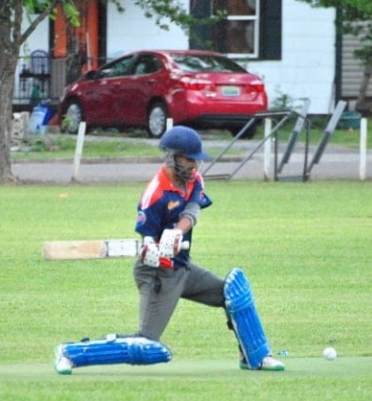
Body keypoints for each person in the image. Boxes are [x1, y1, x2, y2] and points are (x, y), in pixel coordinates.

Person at [53, 126, 284, 374]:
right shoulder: (155, 195)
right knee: (146, 345)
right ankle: (71, 353)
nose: (195, 164)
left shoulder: (193, 179)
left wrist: (176, 232)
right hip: (157, 275)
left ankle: (255, 357)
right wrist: (152, 250)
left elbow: (192, 211)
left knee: (234, 294)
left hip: (183, 267)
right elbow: (147, 241)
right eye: (189, 159)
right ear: (172, 157)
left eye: (196, 159)